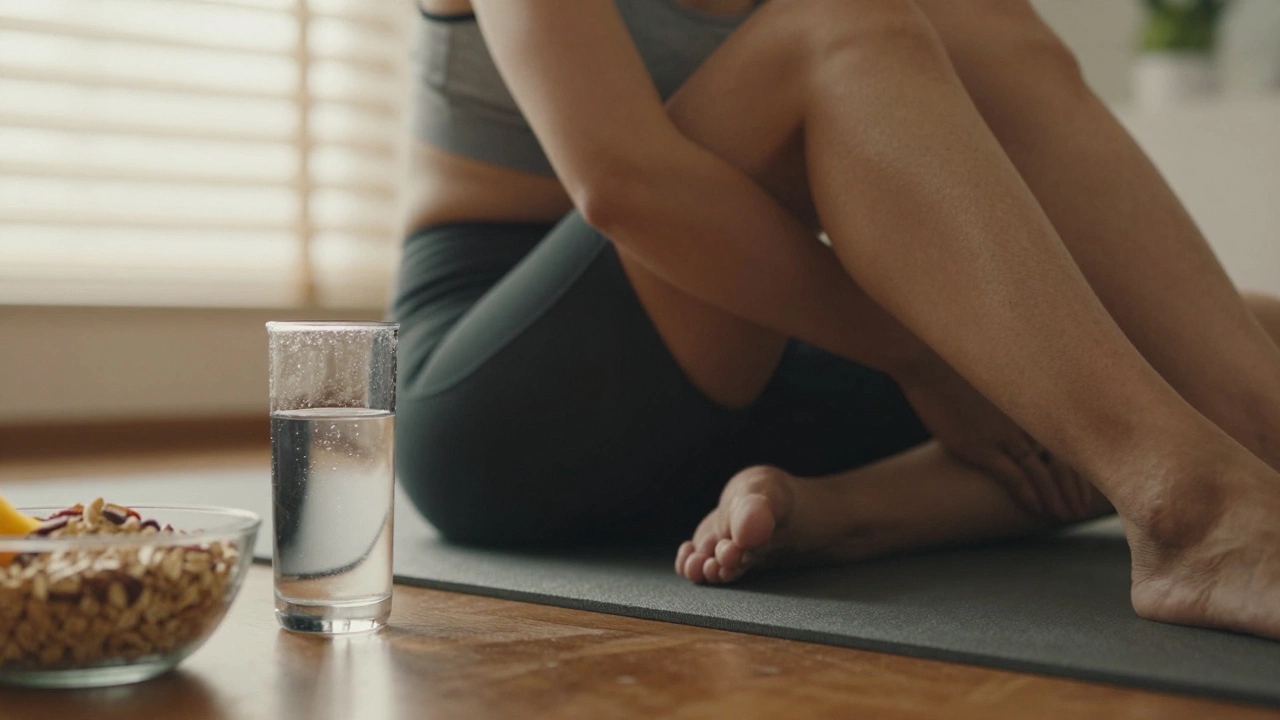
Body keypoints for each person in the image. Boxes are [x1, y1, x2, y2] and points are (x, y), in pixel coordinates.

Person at [392, 0, 1280, 640]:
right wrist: (924, 359)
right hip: (514, 402)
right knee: (842, 29)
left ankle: (1243, 442)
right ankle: (1187, 507)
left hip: (763, 356)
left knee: (984, 23)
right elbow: (622, 184)